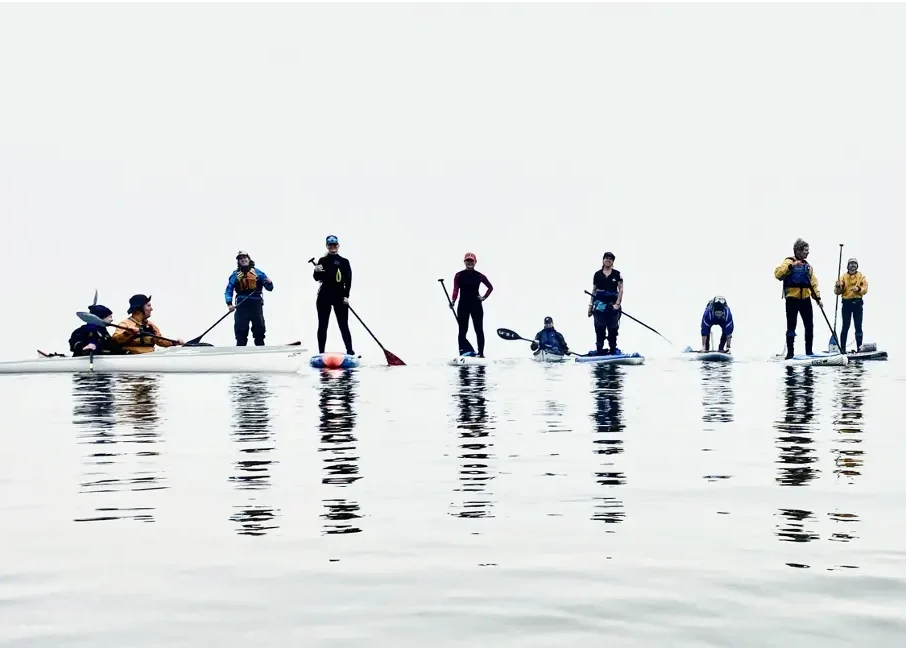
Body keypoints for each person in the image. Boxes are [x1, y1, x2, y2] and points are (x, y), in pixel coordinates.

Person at [774, 238, 823, 358]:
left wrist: (818, 298)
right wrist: (791, 266)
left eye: (808, 250)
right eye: (806, 250)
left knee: (809, 326)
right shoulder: (788, 262)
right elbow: (778, 274)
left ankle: (809, 352)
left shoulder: (808, 266)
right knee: (791, 326)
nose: (808, 252)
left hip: (805, 299)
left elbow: (813, 283)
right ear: (798, 250)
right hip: (792, 299)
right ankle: (790, 354)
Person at [313, 235, 354, 355]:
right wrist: (316, 270)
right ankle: (321, 352)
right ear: (327, 246)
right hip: (324, 295)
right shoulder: (322, 260)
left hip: (339, 296)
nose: (332, 247)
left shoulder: (344, 262)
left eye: (334, 245)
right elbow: (317, 278)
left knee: (343, 324)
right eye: (330, 245)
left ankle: (350, 351)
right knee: (322, 324)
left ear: (338, 246)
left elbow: (349, 280)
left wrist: (346, 296)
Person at [224, 250, 274, 346]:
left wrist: (269, 282)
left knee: (259, 327)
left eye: (244, 258)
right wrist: (229, 304)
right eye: (240, 259)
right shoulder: (235, 275)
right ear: (238, 262)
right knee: (240, 329)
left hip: (255, 303)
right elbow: (229, 289)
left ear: (248, 259)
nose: (243, 260)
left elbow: (270, 288)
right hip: (242, 304)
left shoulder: (258, 273)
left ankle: (260, 347)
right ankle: (240, 348)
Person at [450, 252, 493, 357]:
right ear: (464, 262)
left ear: (475, 262)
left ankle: (481, 353)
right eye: (467, 261)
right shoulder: (459, 275)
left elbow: (490, 287)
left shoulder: (479, 275)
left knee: (479, 330)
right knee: (462, 330)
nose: (469, 262)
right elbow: (455, 290)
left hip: (476, 306)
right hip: (463, 305)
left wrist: (483, 297)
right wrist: (453, 301)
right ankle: (462, 352)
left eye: (471, 261)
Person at [112, 294, 185, 354]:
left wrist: (174, 343)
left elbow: (160, 341)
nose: (151, 308)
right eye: (148, 306)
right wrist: (127, 333)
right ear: (140, 308)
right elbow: (115, 340)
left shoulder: (150, 325)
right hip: (132, 357)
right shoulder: (125, 324)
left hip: (149, 356)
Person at [587, 252, 623, 355]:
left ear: (613, 261)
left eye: (610, 259)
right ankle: (599, 349)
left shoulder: (617, 274)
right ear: (603, 260)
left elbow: (621, 290)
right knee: (599, 328)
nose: (608, 260)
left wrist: (617, 304)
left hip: (612, 305)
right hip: (599, 306)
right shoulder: (597, 274)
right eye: (606, 258)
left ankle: (612, 349)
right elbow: (594, 290)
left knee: (613, 328)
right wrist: (590, 306)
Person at [834, 257, 868, 353]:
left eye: (854, 264)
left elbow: (865, 289)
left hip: (857, 303)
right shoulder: (843, 277)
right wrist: (837, 286)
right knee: (845, 326)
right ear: (848, 266)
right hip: (846, 304)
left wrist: (859, 289)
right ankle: (842, 349)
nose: (853, 265)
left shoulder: (861, 276)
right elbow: (837, 292)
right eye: (851, 264)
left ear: (857, 266)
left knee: (858, 326)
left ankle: (859, 348)